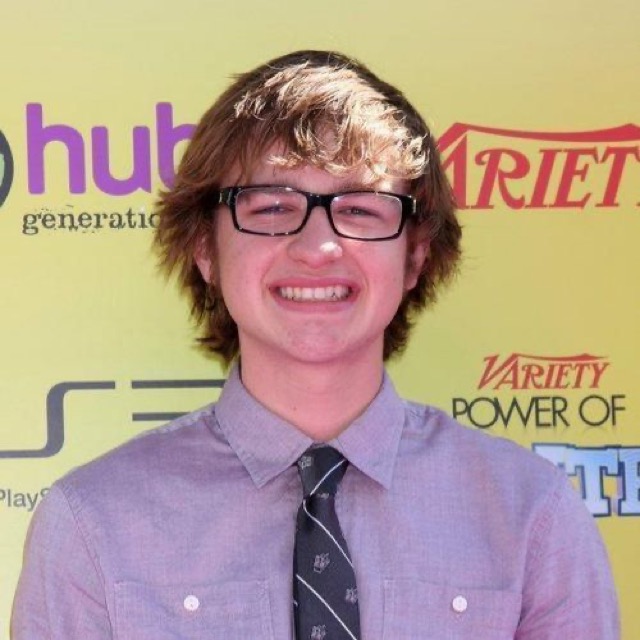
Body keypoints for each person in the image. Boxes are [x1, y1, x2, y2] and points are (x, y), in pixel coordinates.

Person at [12, 50, 619, 639]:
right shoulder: (92, 526)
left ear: (414, 254)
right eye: (272, 207)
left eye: (361, 209)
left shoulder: (530, 514)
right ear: (205, 250)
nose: (318, 247)